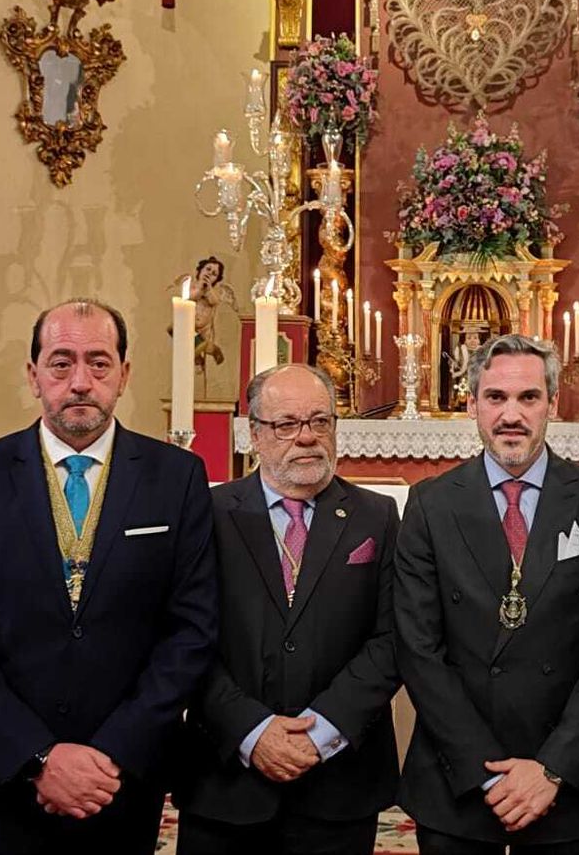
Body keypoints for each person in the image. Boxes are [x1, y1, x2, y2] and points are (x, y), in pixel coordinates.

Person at [0, 298, 218, 855]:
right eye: (61, 362)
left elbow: (192, 630)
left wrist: (113, 753)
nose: (80, 381)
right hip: (1, 776)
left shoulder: (176, 477)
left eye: (99, 362)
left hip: (121, 780)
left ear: (124, 375)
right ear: (33, 376)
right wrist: (37, 757)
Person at [395, 333, 579, 854]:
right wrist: (484, 773)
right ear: (472, 405)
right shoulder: (430, 504)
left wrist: (552, 768)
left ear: (552, 403)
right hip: (456, 775)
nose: (512, 414)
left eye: (528, 397)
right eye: (496, 397)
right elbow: (419, 650)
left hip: (565, 776)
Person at [175, 364, 401, 854]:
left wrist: (319, 733)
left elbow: (392, 639)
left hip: (339, 783)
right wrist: (252, 731)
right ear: (255, 434)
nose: (306, 438)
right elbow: (183, 637)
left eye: (320, 422)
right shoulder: (207, 514)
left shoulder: (377, 516)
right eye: (287, 424)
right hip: (225, 779)